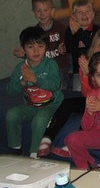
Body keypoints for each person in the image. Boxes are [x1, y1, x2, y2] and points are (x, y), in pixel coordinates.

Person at [45, 29, 100, 158]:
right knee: (68, 103)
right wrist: (86, 76)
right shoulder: (87, 62)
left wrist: (88, 75)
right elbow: (86, 93)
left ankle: (75, 145)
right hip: (91, 97)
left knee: (90, 107)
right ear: (98, 47)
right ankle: (47, 138)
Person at [6, 26, 64, 158]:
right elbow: (10, 90)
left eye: (40, 46)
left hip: (52, 104)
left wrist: (36, 79)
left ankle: (34, 153)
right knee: (11, 115)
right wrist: (23, 82)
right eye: (31, 47)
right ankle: (15, 148)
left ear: (46, 47)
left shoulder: (50, 64)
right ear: (24, 49)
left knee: (39, 120)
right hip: (31, 105)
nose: (36, 51)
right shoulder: (20, 68)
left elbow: (55, 85)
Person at [13, 0, 69, 90]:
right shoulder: (35, 32)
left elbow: (69, 42)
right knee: (37, 88)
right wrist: (24, 54)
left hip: (60, 65)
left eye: (46, 10)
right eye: (38, 11)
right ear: (34, 13)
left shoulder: (61, 27)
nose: (42, 14)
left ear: (52, 11)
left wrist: (64, 46)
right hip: (42, 68)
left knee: (61, 87)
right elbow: (32, 52)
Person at [65, 0, 100, 92]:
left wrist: (79, 32)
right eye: (80, 12)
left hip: (96, 69)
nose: (84, 15)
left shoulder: (98, 30)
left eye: (87, 11)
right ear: (73, 16)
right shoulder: (70, 31)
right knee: (77, 90)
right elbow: (70, 49)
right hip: (78, 70)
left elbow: (93, 47)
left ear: (93, 14)